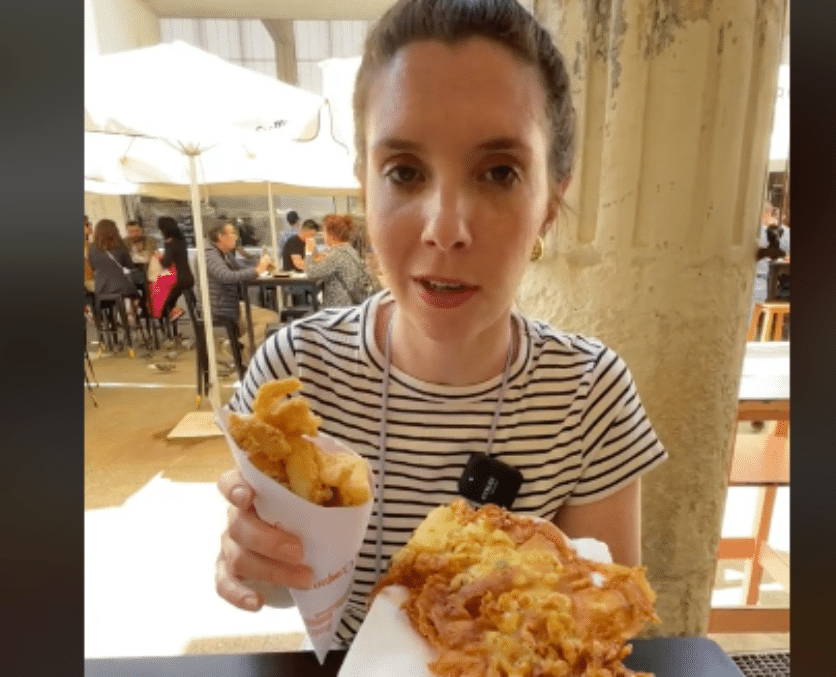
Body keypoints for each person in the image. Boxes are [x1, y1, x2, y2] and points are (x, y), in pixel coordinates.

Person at [215, 0, 668, 649]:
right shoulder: (295, 378)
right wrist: (253, 556)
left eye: (499, 172)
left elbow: (600, 625)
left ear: (550, 201)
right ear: (365, 189)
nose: (445, 228)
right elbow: (293, 592)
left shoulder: (588, 393)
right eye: (404, 171)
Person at [204, 220, 280, 362]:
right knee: (272, 318)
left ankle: (242, 353)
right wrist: (257, 270)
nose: (236, 237)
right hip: (219, 308)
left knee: (269, 317)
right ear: (221, 237)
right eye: (232, 233)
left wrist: (260, 262)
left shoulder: (223, 254)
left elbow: (240, 266)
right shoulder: (210, 255)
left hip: (230, 304)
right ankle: (235, 348)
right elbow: (226, 276)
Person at [301, 213, 377, 308]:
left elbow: (311, 272)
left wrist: (308, 252)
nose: (323, 235)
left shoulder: (337, 254)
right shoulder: (349, 250)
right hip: (350, 306)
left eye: (324, 232)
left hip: (337, 309)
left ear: (331, 234)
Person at [89, 219, 142, 344]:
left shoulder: (91, 248)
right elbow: (129, 265)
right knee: (138, 292)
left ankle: (112, 332)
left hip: (101, 289)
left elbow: (93, 267)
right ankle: (131, 316)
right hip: (120, 287)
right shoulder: (119, 246)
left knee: (113, 302)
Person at [156, 217, 195, 322]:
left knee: (157, 303)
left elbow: (166, 263)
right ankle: (173, 310)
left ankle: (174, 312)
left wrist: (157, 256)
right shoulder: (182, 241)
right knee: (170, 300)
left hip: (177, 280)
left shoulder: (170, 242)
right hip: (188, 278)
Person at [84, 215, 95, 293]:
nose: (90, 226)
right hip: (89, 280)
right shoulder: (85, 244)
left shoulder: (87, 243)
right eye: (87, 224)